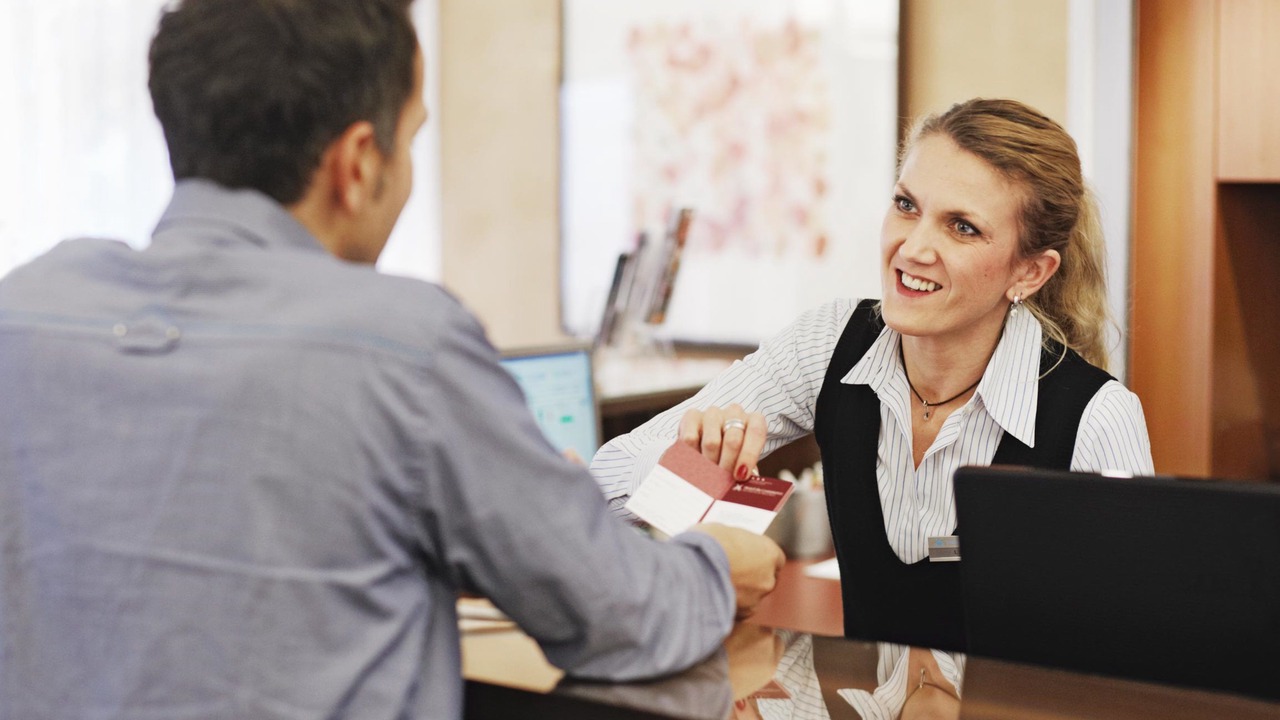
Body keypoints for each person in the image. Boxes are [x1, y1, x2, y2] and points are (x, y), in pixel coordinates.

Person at [0, 1, 785, 718]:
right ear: (358, 163)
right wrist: (719, 564)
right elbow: (620, 616)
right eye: (411, 141)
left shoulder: (25, 311)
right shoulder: (404, 345)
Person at [591, 98, 1153, 716]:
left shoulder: (1097, 418)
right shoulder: (827, 343)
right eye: (906, 205)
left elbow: (1141, 668)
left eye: (962, 227)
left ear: (1030, 271)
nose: (912, 248)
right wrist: (694, 474)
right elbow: (602, 491)